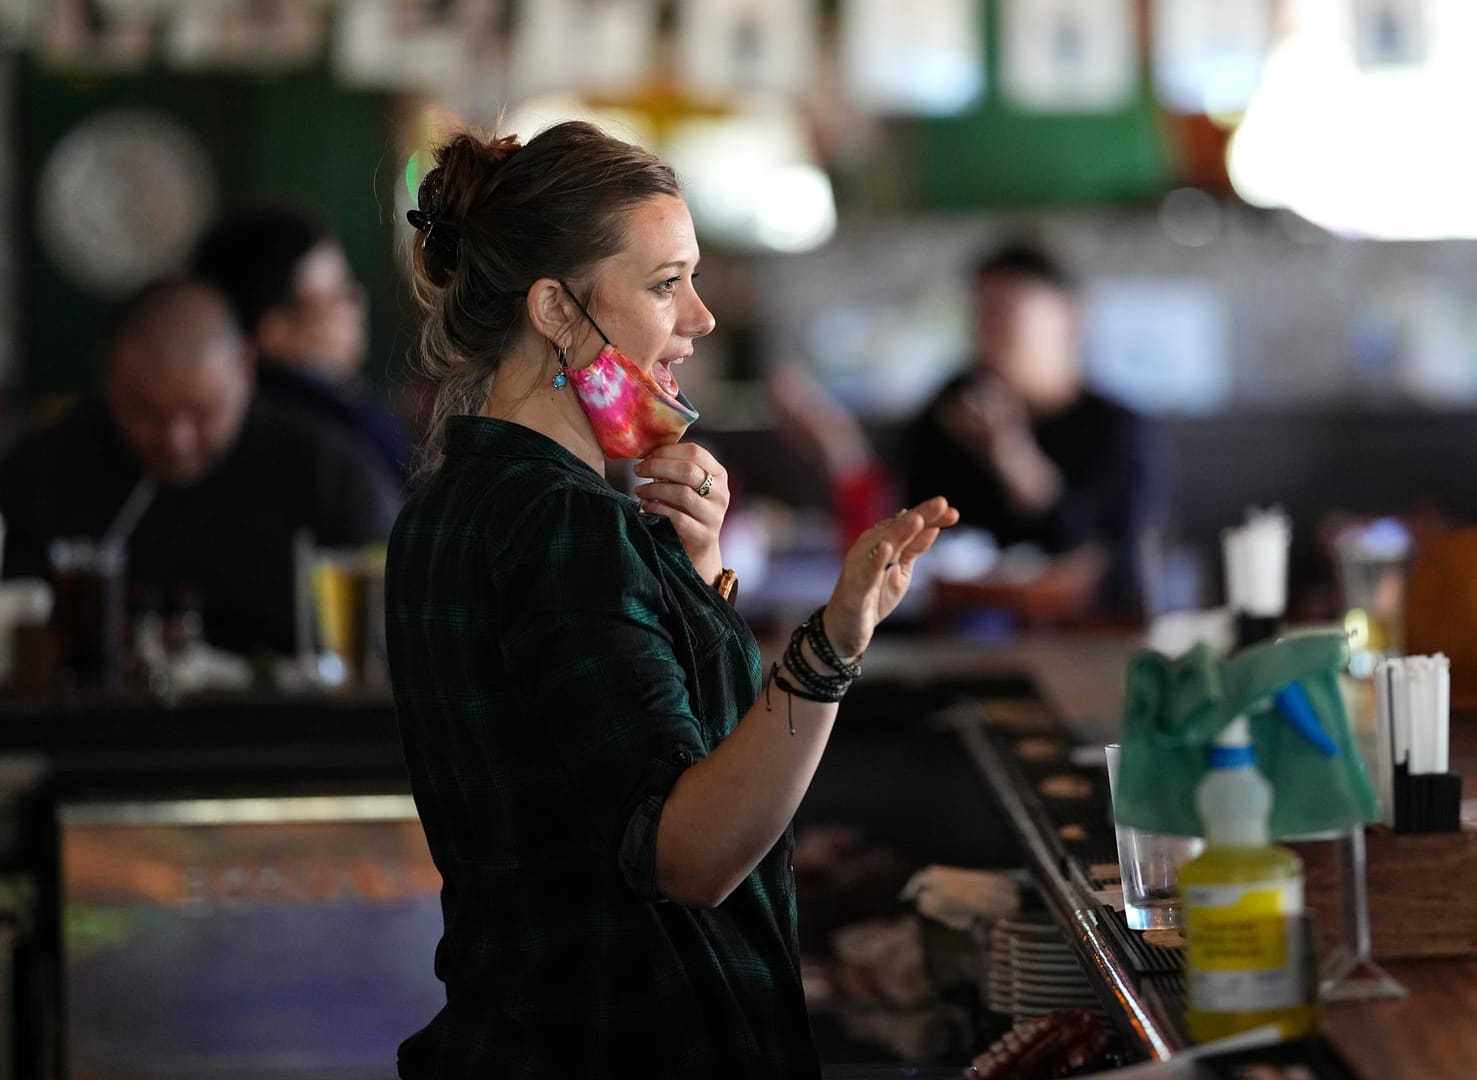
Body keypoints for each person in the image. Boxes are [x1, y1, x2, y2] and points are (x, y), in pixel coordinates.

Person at [384, 121, 957, 1078]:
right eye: (664, 284)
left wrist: (692, 580)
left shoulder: (448, 507)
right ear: (558, 312)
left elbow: (595, 778)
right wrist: (836, 638)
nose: (701, 318)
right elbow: (688, 855)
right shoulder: (568, 526)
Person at [0, 277, 399, 657]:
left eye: (203, 412)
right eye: (145, 413)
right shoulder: (44, 472)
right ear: (109, 378)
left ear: (244, 370)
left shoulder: (326, 472)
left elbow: (395, 607)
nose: (177, 440)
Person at [902, 240, 1157, 621]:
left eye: (1005, 311)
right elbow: (916, 532)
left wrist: (1012, 457)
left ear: (1069, 315)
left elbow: (1105, 558)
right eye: (979, 313)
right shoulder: (949, 413)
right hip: (959, 637)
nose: (987, 331)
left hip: (1088, 637)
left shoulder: (1116, 428)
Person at [193, 205, 414, 486]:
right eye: (338, 295)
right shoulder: (340, 432)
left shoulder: (223, 429)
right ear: (275, 331)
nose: (358, 303)